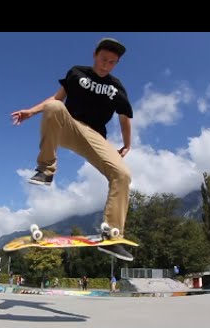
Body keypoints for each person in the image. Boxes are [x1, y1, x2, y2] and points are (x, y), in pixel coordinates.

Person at [11, 38, 134, 261]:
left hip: (95, 137)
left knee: (123, 175)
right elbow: (56, 98)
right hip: (68, 126)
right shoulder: (77, 73)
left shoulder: (117, 87)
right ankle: (46, 170)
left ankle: (113, 236)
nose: (106, 65)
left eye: (112, 62)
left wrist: (128, 144)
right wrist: (31, 111)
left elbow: (125, 118)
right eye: (103, 59)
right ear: (94, 54)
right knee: (53, 107)